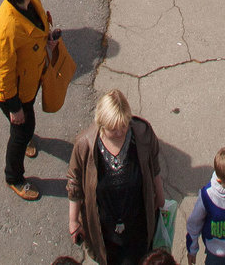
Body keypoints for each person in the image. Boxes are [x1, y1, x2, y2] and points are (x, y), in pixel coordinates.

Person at [68, 88, 163, 262]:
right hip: (104, 230)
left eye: (123, 126)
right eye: (113, 129)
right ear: (101, 124)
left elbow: (154, 165)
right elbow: (75, 183)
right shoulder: (85, 145)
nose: (119, 133)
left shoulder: (142, 133)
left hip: (138, 225)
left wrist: (159, 194)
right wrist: (73, 220)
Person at [0, 0, 56, 202]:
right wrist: (14, 108)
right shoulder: (5, 29)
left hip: (28, 80)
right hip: (12, 92)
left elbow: (38, 26)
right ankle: (14, 177)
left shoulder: (29, 0)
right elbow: (3, 74)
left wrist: (48, 39)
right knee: (22, 128)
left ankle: (25, 138)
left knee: (25, 122)